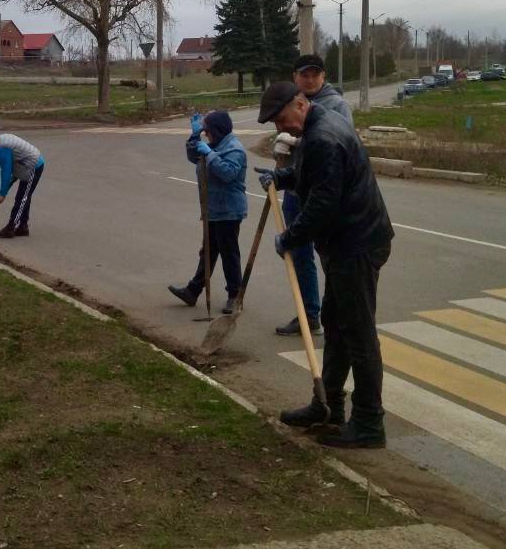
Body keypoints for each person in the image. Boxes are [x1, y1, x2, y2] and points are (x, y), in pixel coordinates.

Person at [256, 80, 394, 449]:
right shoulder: (321, 126)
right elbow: (315, 175)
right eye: (273, 123)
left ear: (300, 104)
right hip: (349, 242)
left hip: (357, 244)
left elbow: (321, 204)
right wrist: (283, 177)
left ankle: (368, 423)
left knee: (359, 335)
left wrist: (289, 238)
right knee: (336, 324)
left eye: (279, 118)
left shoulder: (322, 138)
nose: (278, 127)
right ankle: (327, 405)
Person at [275, 53, 354, 338]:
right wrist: (281, 155)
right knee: (298, 253)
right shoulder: (292, 102)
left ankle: (336, 316)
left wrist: (296, 141)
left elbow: (337, 143)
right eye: (304, 74)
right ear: (295, 76)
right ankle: (309, 315)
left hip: (322, 190)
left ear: (323, 76)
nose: (310, 79)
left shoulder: (336, 105)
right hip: (296, 188)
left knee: (328, 252)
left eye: (315, 74)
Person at [168, 110, 247, 313]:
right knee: (208, 252)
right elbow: (193, 155)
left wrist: (210, 155)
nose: (206, 135)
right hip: (212, 208)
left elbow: (228, 173)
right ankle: (193, 291)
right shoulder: (213, 144)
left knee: (229, 254)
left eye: (207, 131)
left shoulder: (234, 148)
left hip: (228, 211)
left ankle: (235, 296)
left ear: (217, 130)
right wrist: (194, 136)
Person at [0, 129, 44, 238]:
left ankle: (11, 228)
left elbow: (6, 171)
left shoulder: (1, 149)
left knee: (22, 198)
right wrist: (5, 189)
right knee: (23, 197)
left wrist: (2, 193)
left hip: (33, 166)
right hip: (22, 165)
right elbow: (11, 170)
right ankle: (23, 227)